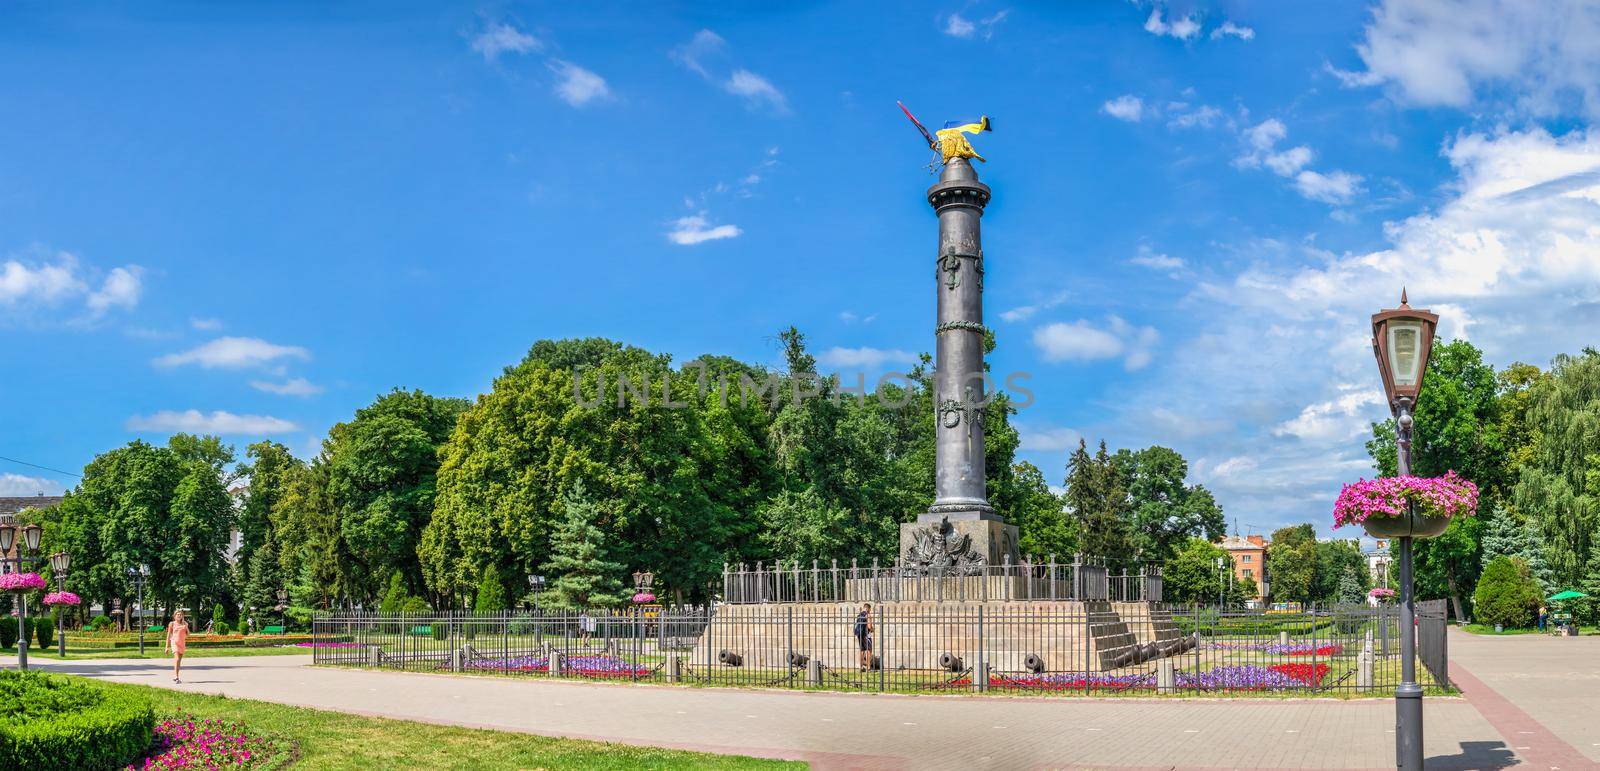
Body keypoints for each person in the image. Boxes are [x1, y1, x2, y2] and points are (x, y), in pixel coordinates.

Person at [166, 609, 190, 684]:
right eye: (178, 614)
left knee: (179, 661)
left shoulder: (185, 623)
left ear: (182, 616)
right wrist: (166, 647)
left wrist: (186, 627)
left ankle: (177, 676)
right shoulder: (172, 624)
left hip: (182, 643)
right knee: (176, 659)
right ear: (175, 616)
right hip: (174, 643)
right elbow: (168, 635)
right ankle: (176, 677)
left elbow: (188, 634)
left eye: (180, 614)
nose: (179, 615)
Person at [854, 603, 874, 671]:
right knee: (869, 650)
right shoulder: (868, 615)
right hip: (866, 635)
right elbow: (869, 627)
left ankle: (861, 667)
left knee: (862, 650)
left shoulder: (859, 615)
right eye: (870, 609)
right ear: (868, 608)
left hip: (860, 635)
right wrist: (872, 629)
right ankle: (868, 668)